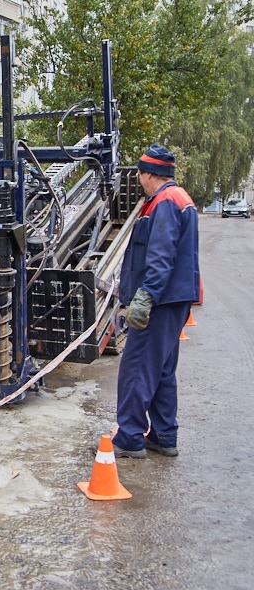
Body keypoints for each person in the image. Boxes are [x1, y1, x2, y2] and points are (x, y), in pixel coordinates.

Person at [113, 144, 200, 458]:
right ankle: (164, 435)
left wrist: (145, 297)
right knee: (162, 370)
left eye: (139, 174)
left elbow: (161, 257)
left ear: (150, 174)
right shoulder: (180, 199)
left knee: (137, 367)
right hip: (176, 299)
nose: (138, 179)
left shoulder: (164, 202)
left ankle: (130, 437)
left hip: (161, 301)